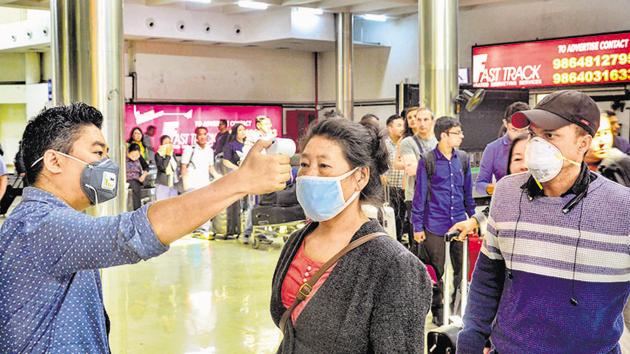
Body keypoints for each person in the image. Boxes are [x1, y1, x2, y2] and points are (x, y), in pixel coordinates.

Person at [0, 103, 291, 353]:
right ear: (54, 161)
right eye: (97, 152)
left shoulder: (44, 221)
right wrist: (240, 182)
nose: (107, 164)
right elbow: (134, 232)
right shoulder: (40, 225)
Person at [457, 90, 630, 353]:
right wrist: (469, 342)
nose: (537, 146)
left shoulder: (622, 207)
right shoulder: (506, 193)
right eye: (534, 135)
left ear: (583, 143)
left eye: (550, 136)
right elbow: (487, 278)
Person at [270, 117, 431, 353]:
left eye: (324, 166)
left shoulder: (393, 265)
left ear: (360, 177)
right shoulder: (297, 241)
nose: (310, 176)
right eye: (304, 165)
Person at [411, 116, 475, 326]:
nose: (462, 136)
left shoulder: (463, 159)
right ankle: (439, 311)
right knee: (436, 271)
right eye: (457, 133)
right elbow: (419, 195)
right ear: (443, 135)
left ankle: (457, 310)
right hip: (434, 223)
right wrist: (417, 226)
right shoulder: (427, 160)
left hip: (459, 224)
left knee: (461, 270)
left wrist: (473, 218)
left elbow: (467, 193)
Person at [399, 107, 438, 253]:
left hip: (437, 197)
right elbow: (411, 169)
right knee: (418, 241)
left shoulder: (439, 141)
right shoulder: (408, 143)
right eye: (418, 119)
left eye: (425, 119)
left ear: (433, 121)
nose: (421, 123)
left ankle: (435, 274)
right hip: (415, 197)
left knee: (435, 241)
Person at [475, 102, 530, 195]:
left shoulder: (539, 146)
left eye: (525, 130)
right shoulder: (493, 149)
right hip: (506, 202)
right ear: (505, 123)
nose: (520, 135)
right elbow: (480, 185)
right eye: (514, 130)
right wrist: (501, 188)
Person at [180, 126, 222, 240]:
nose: (203, 137)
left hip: (205, 183)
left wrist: (219, 177)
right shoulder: (190, 149)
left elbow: (211, 168)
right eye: (200, 134)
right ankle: (192, 229)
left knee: (206, 207)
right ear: (197, 137)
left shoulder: (209, 151)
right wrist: (185, 184)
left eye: (205, 134)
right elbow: (183, 167)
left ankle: (203, 230)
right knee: (193, 208)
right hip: (192, 183)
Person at [383, 114, 406, 242]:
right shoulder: (385, 146)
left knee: (403, 218)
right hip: (391, 189)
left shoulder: (406, 144)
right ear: (389, 128)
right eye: (398, 125)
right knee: (393, 218)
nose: (402, 128)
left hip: (406, 188)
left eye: (403, 125)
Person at [223, 123, 246, 238]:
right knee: (234, 204)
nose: (243, 132)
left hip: (248, 178)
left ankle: (245, 230)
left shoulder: (248, 145)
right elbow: (226, 162)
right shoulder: (230, 145)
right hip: (235, 177)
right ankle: (232, 230)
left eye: (244, 130)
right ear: (235, 132)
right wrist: (238, 169)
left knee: (247, 205)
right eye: (240, 130)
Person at [154, 135, 178, 201]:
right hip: (163, 183)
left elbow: (175, 167)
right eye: (166, 143)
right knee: (162, 204)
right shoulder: (158, 154)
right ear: (161, 144)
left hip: (173, 183)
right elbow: (162, 167)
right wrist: (167, 155)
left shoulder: (172, 154)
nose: (168, 145)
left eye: (169, 143)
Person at [126, 143, 149, 211]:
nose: (135, 157)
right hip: (126, 180)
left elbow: (146, 167)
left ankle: (137, 211)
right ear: (128, 152)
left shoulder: (139, 157)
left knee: (136, 197)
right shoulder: (123, 158)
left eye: (137, 155)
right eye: (132, 155)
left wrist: (143, 175)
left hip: (136, 181)